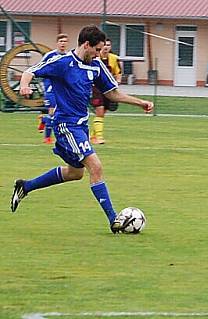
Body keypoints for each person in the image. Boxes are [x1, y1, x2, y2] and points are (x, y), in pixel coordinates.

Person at [11, 25, 154, 233]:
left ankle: (26, 186)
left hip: (81, 126)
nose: (99, 54)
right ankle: (114, 219)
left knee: (75, 173)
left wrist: (139, 102)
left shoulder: (95, 66)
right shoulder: (62, 63)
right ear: (86, 45)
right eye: (97, 50)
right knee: (95, 166)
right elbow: (30, 71)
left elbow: (113, 93)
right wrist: (25, 85)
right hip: (65, 125)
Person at [88, 39, 122, 144]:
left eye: (109, 45)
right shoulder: (95, 59)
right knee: (100, 111)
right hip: (96, 89)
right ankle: (99, 137)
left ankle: (92, 136)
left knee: (102, 113)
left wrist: (117, 82)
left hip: (108, 89)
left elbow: (118, 73)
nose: (106, 47)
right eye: (105, 45)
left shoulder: (114, 59)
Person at [39, 33, 70, 144]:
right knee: (52, 112)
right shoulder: (50, 55)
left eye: (65, 41)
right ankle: (47, 137)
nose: (63, 43)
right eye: (61, 41)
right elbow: (40, 68)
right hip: (51, 88)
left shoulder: (68, 57)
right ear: (57, 43)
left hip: (62, 90)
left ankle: (44, 119)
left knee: (58, 113)